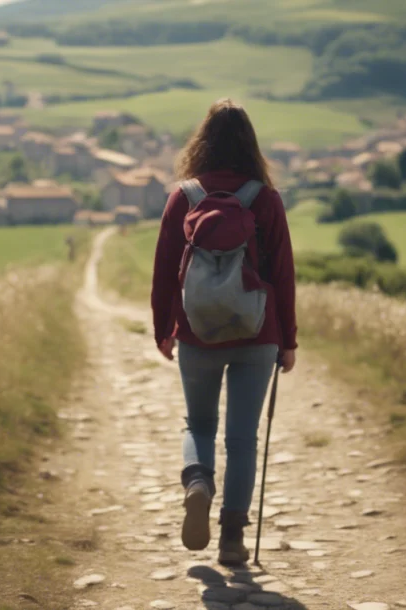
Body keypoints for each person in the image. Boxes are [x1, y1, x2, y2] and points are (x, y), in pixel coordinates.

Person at [151, 99, 297, 566]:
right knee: (242, 437)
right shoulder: (266, 200)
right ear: (251, 146)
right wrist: (288, 341)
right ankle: (232, 539)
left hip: (196, 333)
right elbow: (285, 275)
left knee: (199, 425)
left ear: (202, 143)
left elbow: (163, 273)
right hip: (258, 333)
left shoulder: (184, 197)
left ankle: (198, 484)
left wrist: (164, 329)